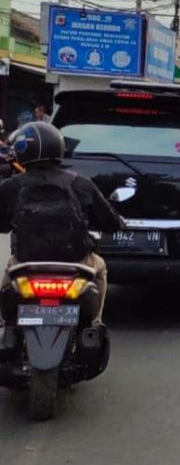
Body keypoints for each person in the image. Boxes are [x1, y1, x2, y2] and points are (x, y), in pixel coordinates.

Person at [0, 122, 124, 327]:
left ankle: (8, 328)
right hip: (77, 263)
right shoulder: (80, 183)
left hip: (26, 264)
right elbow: (110, 223)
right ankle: (95, 324)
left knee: (7, 286)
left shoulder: (11, 186)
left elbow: (2, 225)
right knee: (100, 268)